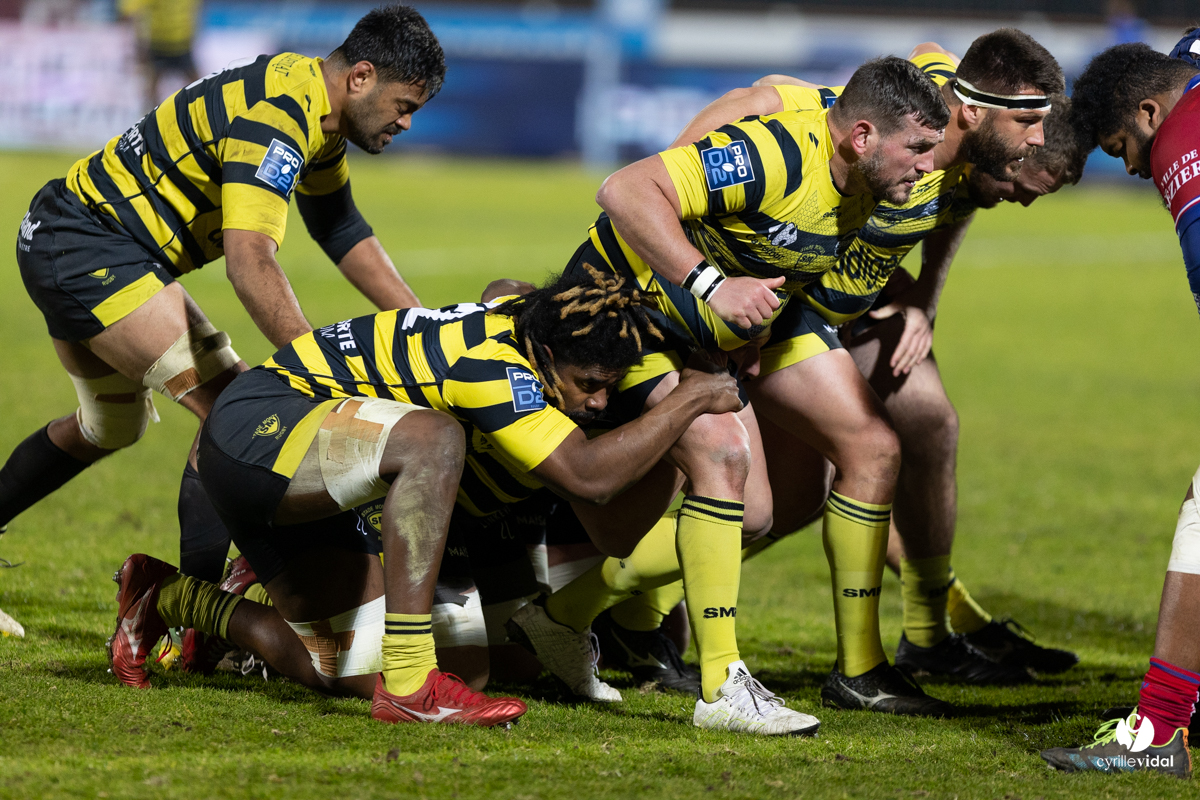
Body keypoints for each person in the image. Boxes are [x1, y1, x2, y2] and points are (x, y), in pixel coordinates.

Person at [549, 33, 1064, 716]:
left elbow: (934, 75)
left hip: (777, 316)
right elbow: (689, 149)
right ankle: (661, 645)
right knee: (752, 489)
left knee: (843, 468)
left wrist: (921, 298)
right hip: (666, 306)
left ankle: (863, 667)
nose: (1040, 136)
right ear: (972, 109)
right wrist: (701, 256)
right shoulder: (800, 147)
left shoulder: (932, 143)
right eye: (1029, 120)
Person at [108, 269, 756, 729]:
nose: (594, 403)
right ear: (549, 353)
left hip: (330, 466)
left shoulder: (530, 324)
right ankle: (412, 682)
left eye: (606, 388)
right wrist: (692, 398)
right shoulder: (494, 368)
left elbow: (504, 287)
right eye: (588, 384)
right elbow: (588, 477)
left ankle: (168, 597)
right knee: (434, 440)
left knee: (466, 670)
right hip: (263, 427)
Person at [1, 5, 441, 622]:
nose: (407, 122)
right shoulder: (280, 118)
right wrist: (316, 370)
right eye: (405, 103)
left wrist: (425, 325)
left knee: (110, 428)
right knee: (233, 413)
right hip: (88, 246)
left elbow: (339, 227)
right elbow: (250, 262)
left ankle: (186, 611)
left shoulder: (311, 104)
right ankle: (187, 617)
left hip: (68, 235)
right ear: (361, 77)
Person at [1038, 38, 1200, 778]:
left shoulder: (1180, 142)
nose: (1133, 166)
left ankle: (1158, 731)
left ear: (1148, 111)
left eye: (1121, 146)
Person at [118, 0, 202, 109]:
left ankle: (202, 111)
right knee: (152, 86)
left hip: (180, 43)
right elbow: (128, 12)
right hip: (160, 44)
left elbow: (128, 12)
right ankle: (152, 117)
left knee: (198, 84)